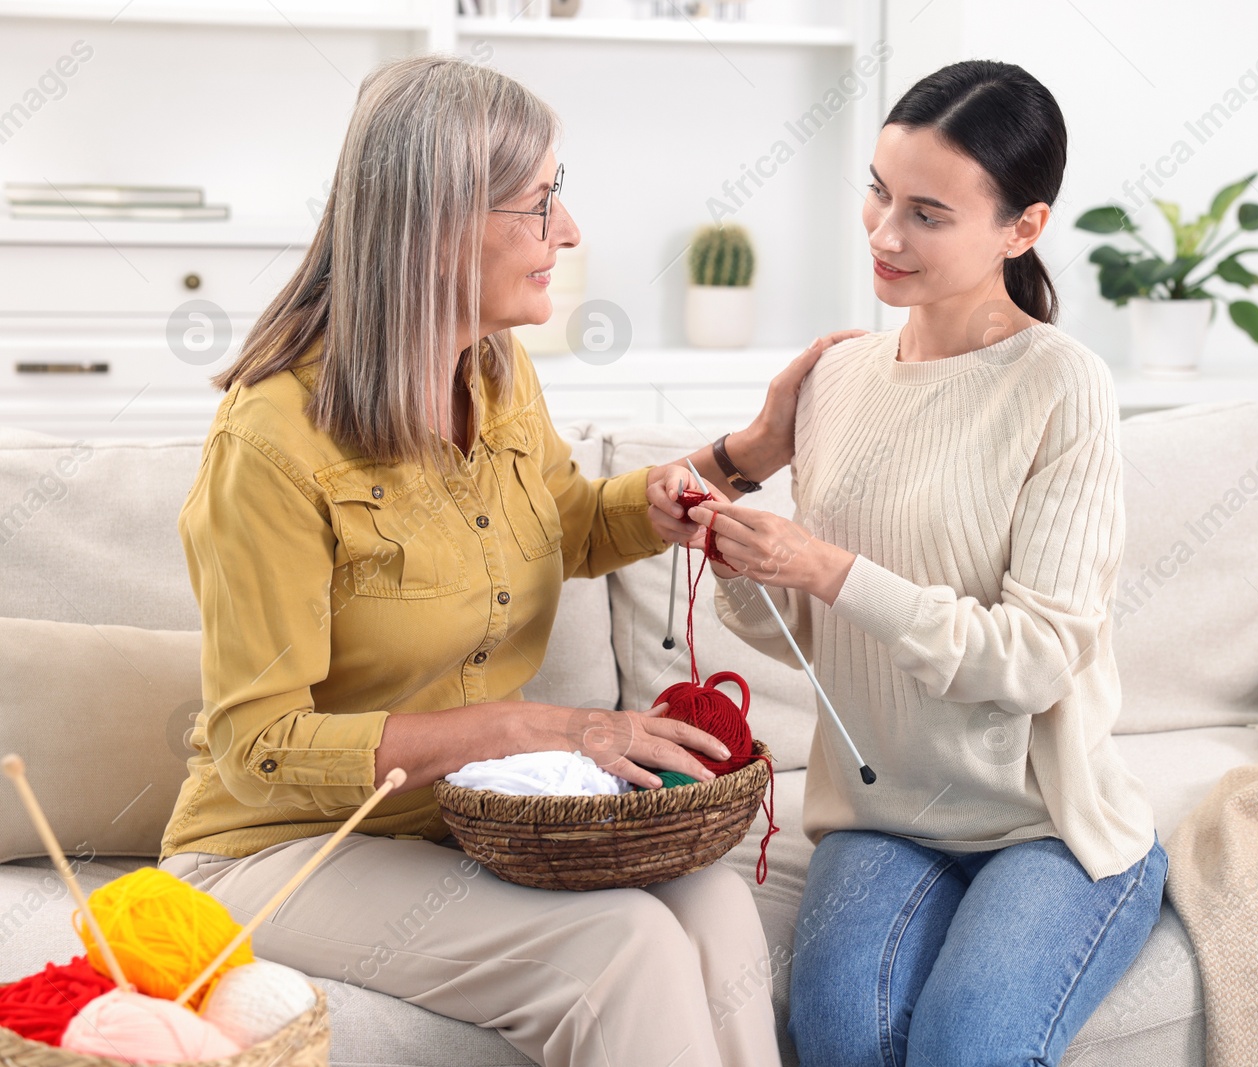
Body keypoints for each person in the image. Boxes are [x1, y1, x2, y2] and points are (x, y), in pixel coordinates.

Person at [156, 53, 857, 1067]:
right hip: (284, 845)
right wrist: (542, 726)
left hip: (468, 824)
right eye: (538, 204)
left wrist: (739, 456)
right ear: (437, 224)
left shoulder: (493, 369)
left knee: (704, 887)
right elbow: (256, 741)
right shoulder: (268, 442)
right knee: (617, 946)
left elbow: (565, 526)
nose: (567, 232)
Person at [687, 60, 1168, 1066]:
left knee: (964, 1045)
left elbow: (1037, 657)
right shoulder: (834, 377)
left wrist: (828, 567)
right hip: (880, 811)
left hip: (1046, 823)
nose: (883, 234)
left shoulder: (1059, 384)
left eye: (927, 213)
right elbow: (812, 639)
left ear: (1021, 228)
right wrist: (729, 527)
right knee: (842, 1038)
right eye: (877, 191)